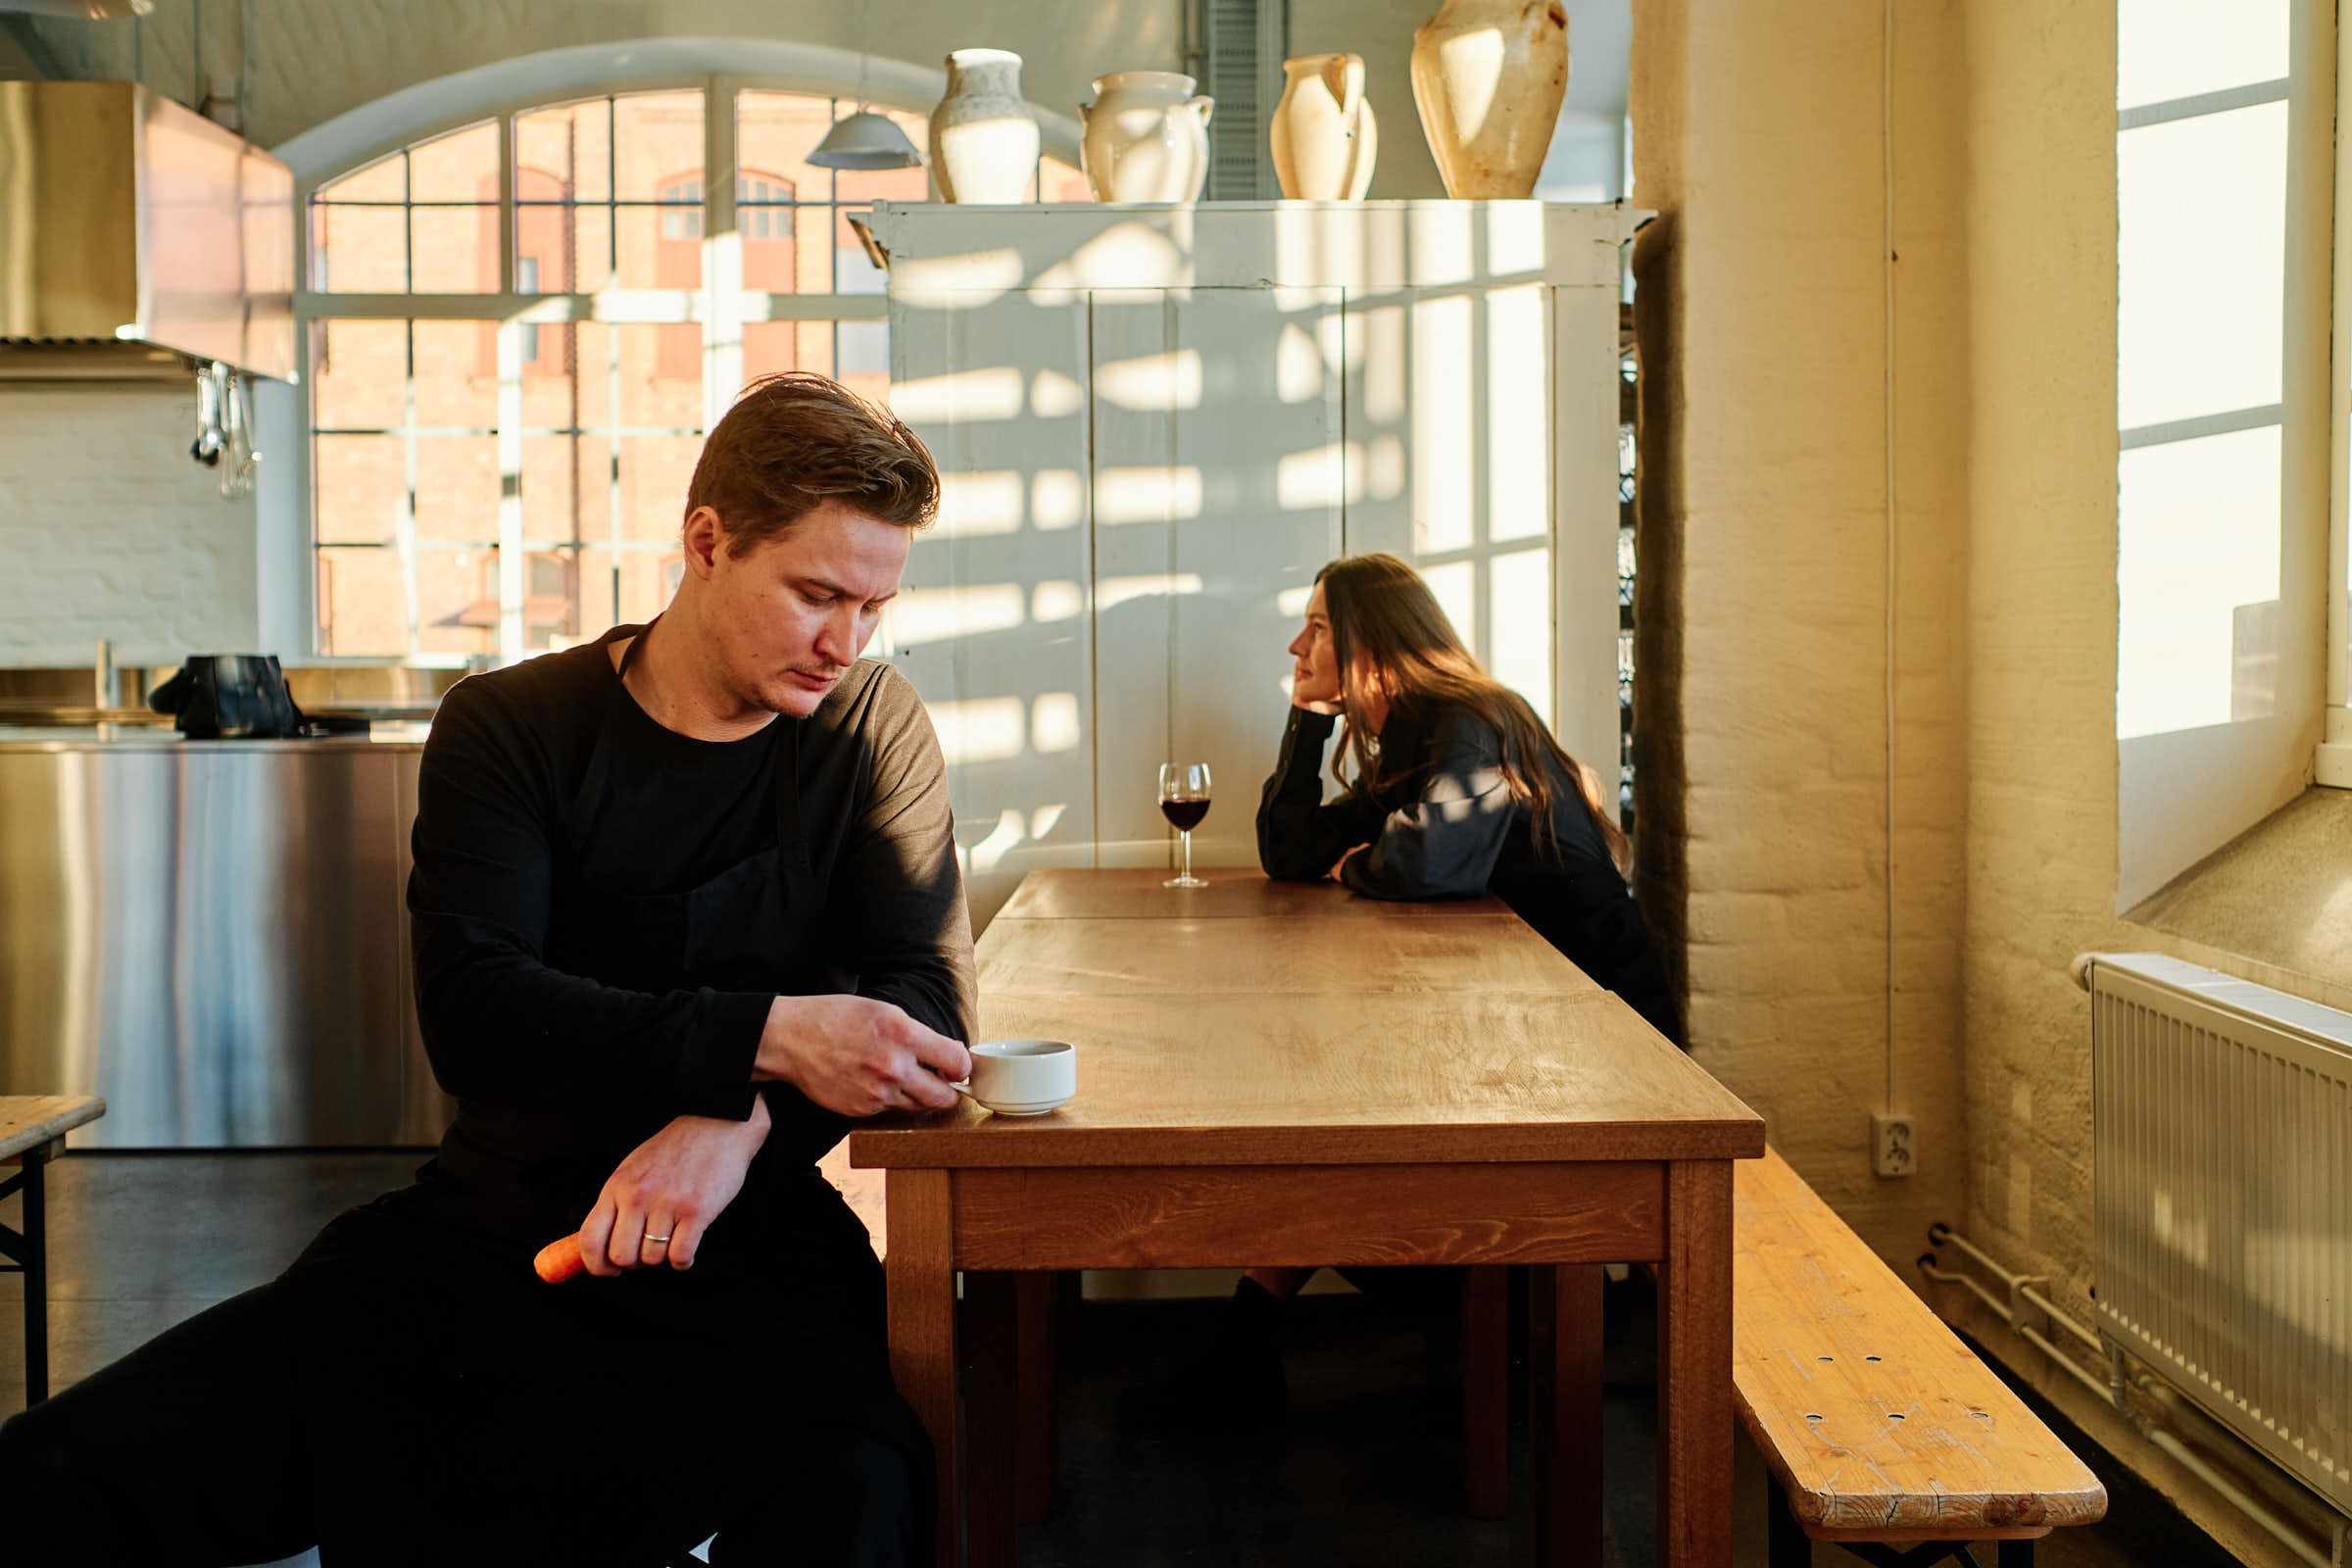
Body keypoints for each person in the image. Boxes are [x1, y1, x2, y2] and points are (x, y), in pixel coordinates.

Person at [0, 373, 977, 1568]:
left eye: (874, 606)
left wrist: (731, 1126)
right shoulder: (512, 724)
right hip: (496, 1234)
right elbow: (478, 1008)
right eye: (818, 594)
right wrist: (765, 1037)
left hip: (753, 1247)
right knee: (50, 1476)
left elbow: (924, 1016)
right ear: (706, 542)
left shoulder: (871, 728)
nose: (847, 642)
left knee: (859, 1499)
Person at [1237, 550, 1681, 1363]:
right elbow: (1292, 849)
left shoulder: (1472, 719)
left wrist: (1366, 861)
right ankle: (1248, 1346)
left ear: (1372, 640)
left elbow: (1430, 862)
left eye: (1320, 629)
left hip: (1609, 1053)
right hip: (1527, 1042)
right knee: (1336, 1139)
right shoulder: (1416, 737)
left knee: (1345, 1153)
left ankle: (1521, 1337)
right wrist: (1308, 723)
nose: (1297, 649)